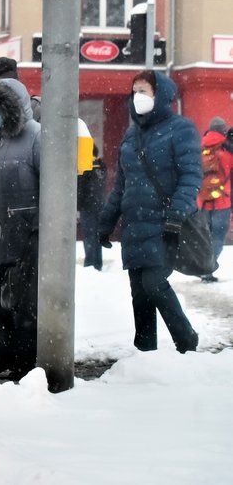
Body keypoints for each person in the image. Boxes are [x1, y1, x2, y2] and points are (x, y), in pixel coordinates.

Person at [98, 70, 200, 354]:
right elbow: (121, 185)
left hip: (165, 222)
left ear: (162, 95)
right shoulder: (132, 135)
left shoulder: (181, 129)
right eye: (135, 91)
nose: (138, 97)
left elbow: (191, 177)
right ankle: (145, 351)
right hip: (134, 225)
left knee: (154, 283)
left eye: (144, 91)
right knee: (139, 292)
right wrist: (106, 223)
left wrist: (177, 214)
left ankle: (186, 339)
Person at [0, 77, 41, 380]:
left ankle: (24, 360)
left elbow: (51, 188)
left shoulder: (37, 137)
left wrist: (37, 231)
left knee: (22, 304)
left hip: (25, 237)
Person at [197, 116, 233, 283]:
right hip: (222, 201)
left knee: (204, 236)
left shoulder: (198, 148)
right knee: (217, 237)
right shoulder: (227, 150)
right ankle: (208, 268)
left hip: (202, 201)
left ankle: (202, 266)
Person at [78, 145, 107, 271]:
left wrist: (77, 206)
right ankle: (98, 262)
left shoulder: (86, 167)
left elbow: (81, 189)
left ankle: (90, 262)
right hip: (100, 204)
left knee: (89, 235)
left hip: (87, 205)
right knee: (97, 234)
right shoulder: (101, 166)